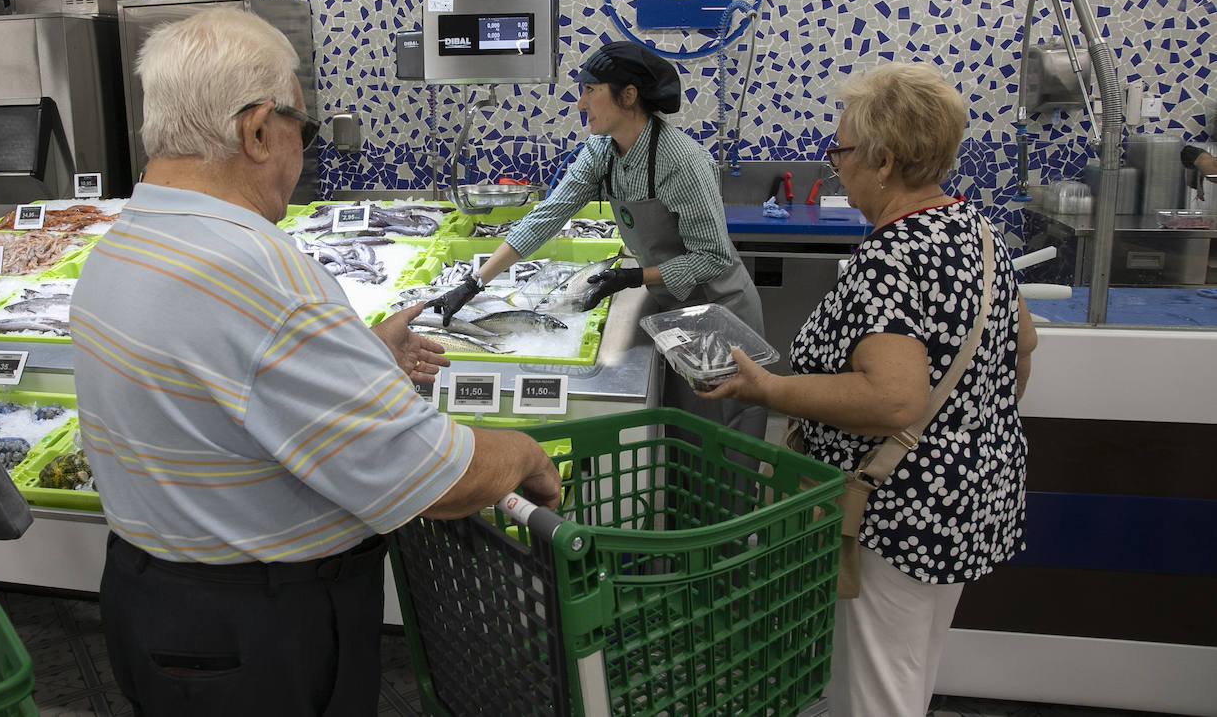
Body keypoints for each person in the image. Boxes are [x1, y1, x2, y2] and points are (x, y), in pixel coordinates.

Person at [69, 9, 561, 717]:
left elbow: (228, 392)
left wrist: (361, 359)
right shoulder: (254, 271)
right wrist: (525, 456)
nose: (304, 148)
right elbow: (432, 479)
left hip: (150, 602)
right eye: (302, 125)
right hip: (257, 630)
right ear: (257, 130)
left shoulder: (125, 241)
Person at [699, 61, 1037, 717]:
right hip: (971, 496)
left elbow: (894, 400)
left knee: (880, 692)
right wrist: (964, 437)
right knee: (910, 668)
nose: (833, 165)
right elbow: (1021, 347)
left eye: (841, 149)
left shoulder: (889, 258)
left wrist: (768, 390)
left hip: (896, 513)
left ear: (883, 160)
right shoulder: (976, 232)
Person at [429, 40, 767, 438]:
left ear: (627, 96)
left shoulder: (683, 162)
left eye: (590, 91)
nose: (580, 104)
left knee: (729, 432)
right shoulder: (602, 151)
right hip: (674, 311)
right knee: (687, 428)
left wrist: (635, 277)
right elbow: (548, 216)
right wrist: (474, 282)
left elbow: (712, 257)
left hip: (719, 310)